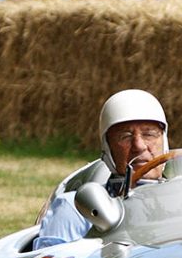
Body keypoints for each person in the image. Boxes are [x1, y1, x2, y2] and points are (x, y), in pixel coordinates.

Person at [35, 89, 169, 249]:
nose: (139, 146)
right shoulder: (75, 209)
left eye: (149, 134)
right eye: (125, 136)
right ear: (108, 147)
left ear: (164, 142)